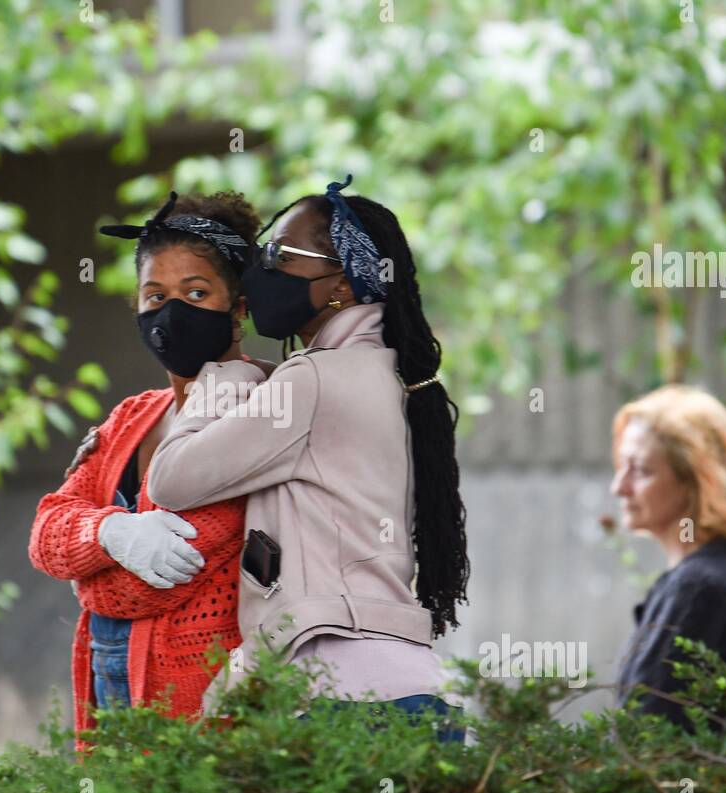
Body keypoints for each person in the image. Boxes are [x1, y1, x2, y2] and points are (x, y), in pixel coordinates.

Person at [146, 177, 470, 739]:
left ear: (340, 282)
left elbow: (172, 481)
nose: (259, 271)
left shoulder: (314, 382)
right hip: (404, 688)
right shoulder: (372, 373)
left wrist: (225, 373)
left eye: (279, 255)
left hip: (343, 699)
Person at [29, 191, 264, 740]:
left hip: (204, 701)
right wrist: (111, 531)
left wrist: (87, 571)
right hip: (106, 679)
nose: (171, 311)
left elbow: (149, 588)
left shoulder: (261, 411)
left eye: (196, 292)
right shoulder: (132, 416)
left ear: (240, 307)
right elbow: (45, 533)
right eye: (154, 295)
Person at [611, 385, 726, 730]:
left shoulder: (700, 587)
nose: (619, 487)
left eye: (642, 471)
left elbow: (649, 734)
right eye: (622, 465)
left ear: (697, 484)